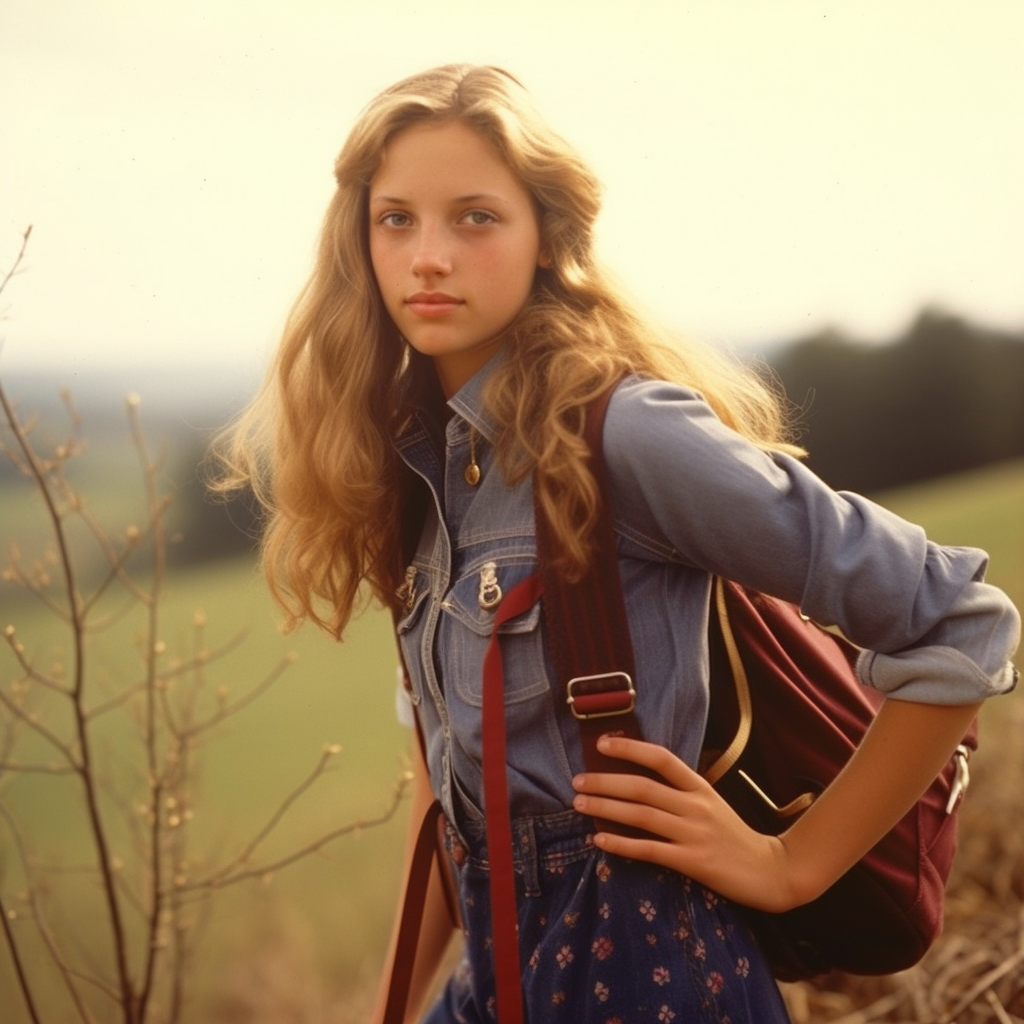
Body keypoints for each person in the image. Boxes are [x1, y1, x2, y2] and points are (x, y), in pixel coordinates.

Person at [214, 64, 1020, 1023]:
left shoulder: (627, 436)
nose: (429, 256)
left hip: (655, 980)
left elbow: (960, 623)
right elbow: (447, 801)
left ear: (548, 237)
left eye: (475, 217)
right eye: (397, 219)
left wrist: (789, 865)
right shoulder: (415, 476)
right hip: (495, 977)